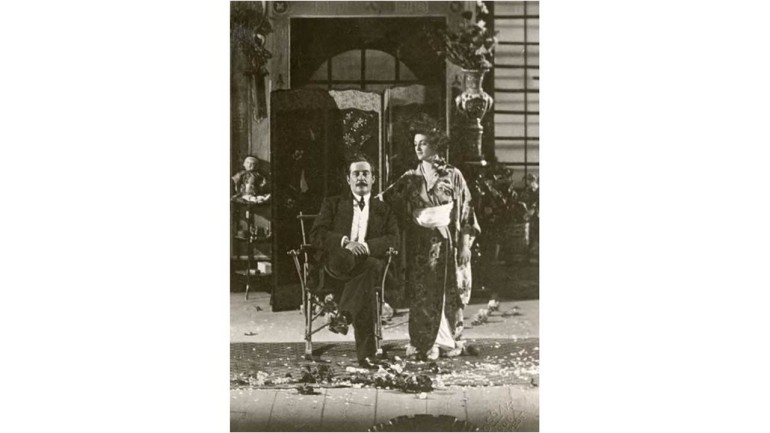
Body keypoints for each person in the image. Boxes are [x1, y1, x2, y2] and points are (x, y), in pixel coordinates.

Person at [380, 116, 480, 360]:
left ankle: (446, 341)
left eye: (423, 143)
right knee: (421, 292)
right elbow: (384, 201)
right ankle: (424, 343)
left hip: (447, 239)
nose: (417, 147)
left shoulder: (453, 175)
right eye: (415, 143)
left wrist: (464, 245)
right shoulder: (409, 178)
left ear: (435, 146)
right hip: (418, 241)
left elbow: (466, 210)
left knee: (449, 290)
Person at [309, 153, 400, 368]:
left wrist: (366, 247)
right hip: (337, 266)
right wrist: (345, 243)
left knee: (370, 269)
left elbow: (393, 239)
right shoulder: (333, 204)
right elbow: (316, 235)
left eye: (365, 173)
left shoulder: (383, 209)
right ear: (348, 179)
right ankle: (364, 350)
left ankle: (345, 318)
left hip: (365, 269)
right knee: (370, 268)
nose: (361, 178)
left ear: (373, 179)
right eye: (356, 174)